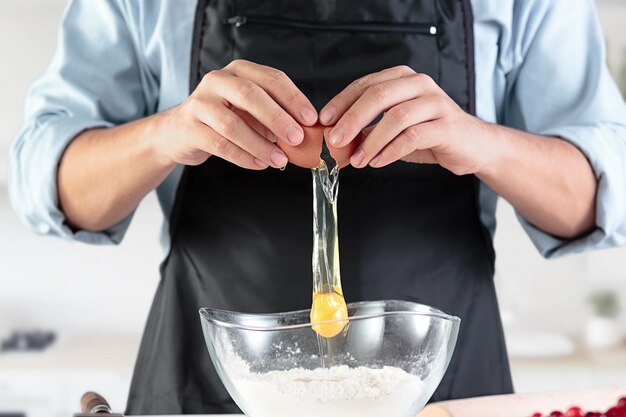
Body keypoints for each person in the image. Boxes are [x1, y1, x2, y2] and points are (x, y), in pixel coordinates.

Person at [9, 0, 626, 414]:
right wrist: (165, 133)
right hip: (205, 385)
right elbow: (49, 183)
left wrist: (481, 142)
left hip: (442, 391)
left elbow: (599, 200)